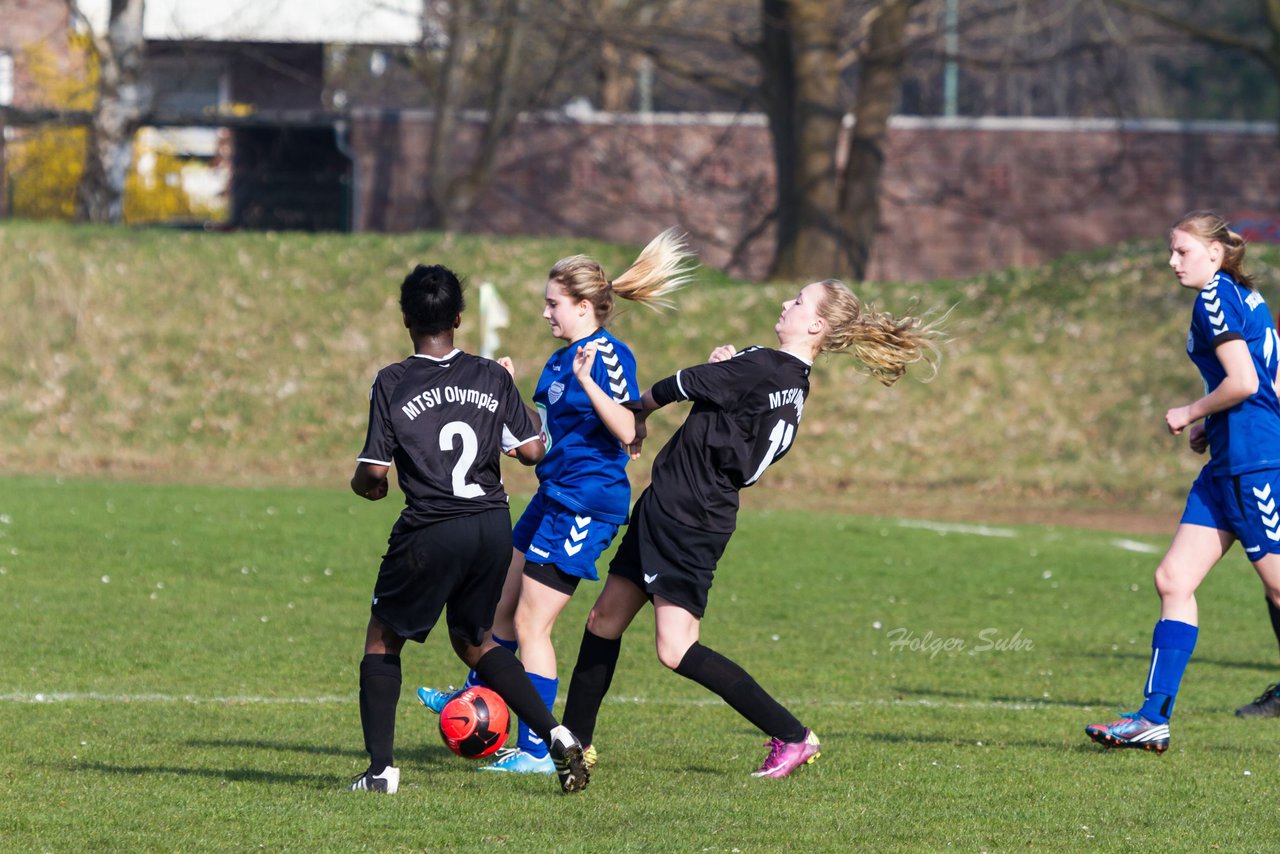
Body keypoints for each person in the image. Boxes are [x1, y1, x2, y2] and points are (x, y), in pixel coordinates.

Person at [559, 278, 944, 778]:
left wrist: (639, 410)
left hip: (686, 516)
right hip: (677, 506)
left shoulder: (763, 365)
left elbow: (681, 383)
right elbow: (730, 411)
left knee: (676, 649)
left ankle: (792, 735)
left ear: (816, 324)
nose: (787, 303)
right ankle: (573, 745)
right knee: (603, 621)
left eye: (799, 301)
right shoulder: (789, 377)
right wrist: (726, 371)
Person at [417, 230, 696, 775]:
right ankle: (476, 700)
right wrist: (503, 392)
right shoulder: (558, 360)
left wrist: (591, 383)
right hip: (552, 494)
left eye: (553, 303)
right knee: (497, 606)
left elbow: (627, 428)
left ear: (584, 306)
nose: (546, 312)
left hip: (586, 505)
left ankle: (538, 749)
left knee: (531, 626)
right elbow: (540, 437)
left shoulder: (610, 356)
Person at [346, 263, 588, 794]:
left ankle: (381, 771)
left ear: (406, 317)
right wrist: (508, 391)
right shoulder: (490, 375)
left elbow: (373, 474)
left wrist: (366, 486)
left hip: (433, 527)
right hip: (491, 526)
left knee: (383, 640)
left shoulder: (392, 381)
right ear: (458, 317)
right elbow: (531, 452)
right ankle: (556, 733)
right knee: (475, 641)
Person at [1085, 211, 1280, 751]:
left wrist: (1191, 411)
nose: (1173, 263)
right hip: (1229, 460)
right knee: (1173, 580)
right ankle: (1153, 717)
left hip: (1253, 463)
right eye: (1171, 252)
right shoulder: (1244, 295)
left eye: (1182, 252)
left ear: (1215, 253)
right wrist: (1214, 426)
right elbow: (1267, 379)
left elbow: (1243, 381)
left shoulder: (1216, 297)